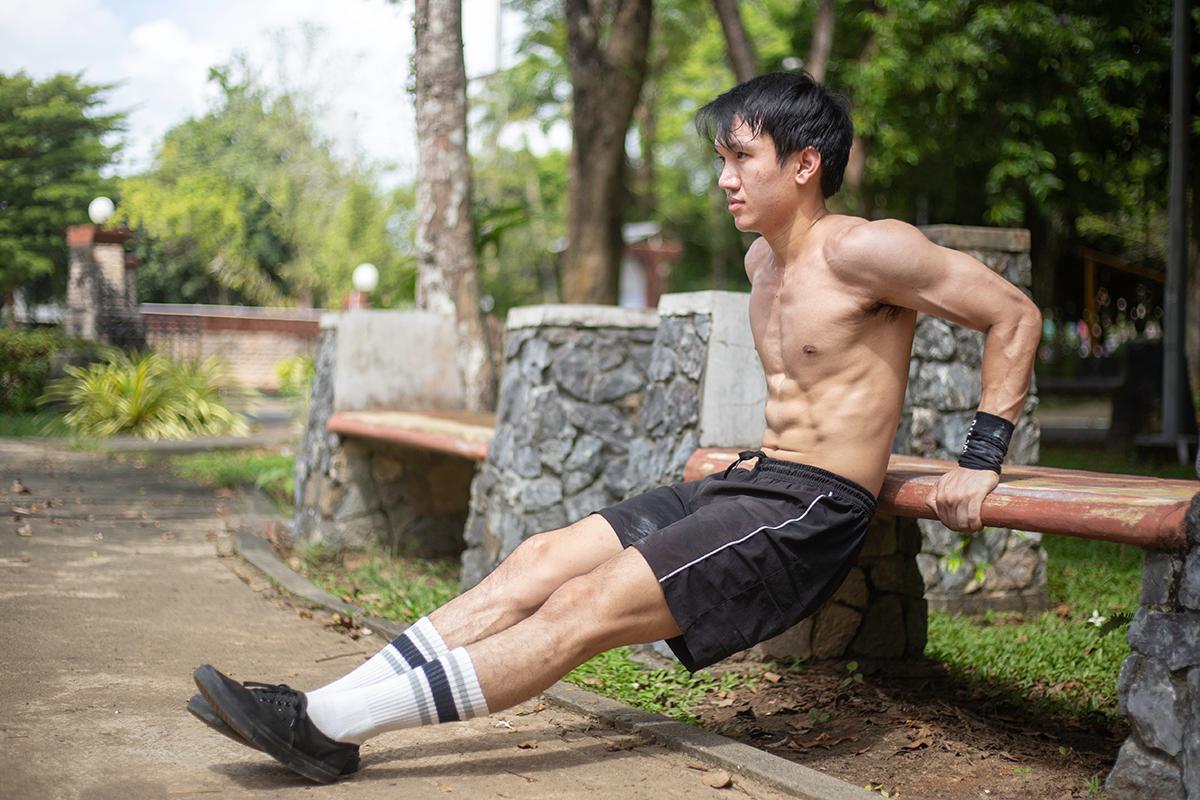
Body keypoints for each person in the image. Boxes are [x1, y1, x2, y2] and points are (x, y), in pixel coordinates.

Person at [190, 71, 1041, 784]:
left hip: (811, 509)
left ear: (806, 162)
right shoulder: (762, 262)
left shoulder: (869, 250)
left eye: (742, 157)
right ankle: (323, 714)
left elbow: (1012, 314)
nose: (725, 179)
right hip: (754, 478)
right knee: (537, 561)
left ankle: (325, 722)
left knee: (586, 605)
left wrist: (982, 458)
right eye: (723, 160)